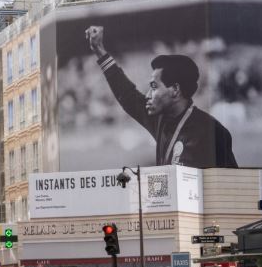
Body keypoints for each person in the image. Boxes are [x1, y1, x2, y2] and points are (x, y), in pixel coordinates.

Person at [86, 26, 238, 169]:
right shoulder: (161, 121)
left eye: (154, 87)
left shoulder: (212, 133)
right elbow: (128, 96)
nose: (148, 95)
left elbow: (232, 187)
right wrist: (99, 51)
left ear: (175, 90)